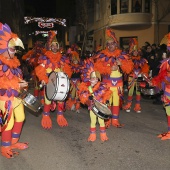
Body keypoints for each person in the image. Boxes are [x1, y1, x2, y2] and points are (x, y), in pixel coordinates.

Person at [93, 28, 133, 128]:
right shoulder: (102, 55)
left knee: (116, 102)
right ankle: (107, 120)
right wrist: (110, 68)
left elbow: (129, 68)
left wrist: (121, 64)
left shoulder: (122, 55)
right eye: (108, 44)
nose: (111, 45)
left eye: (112, 43)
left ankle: (115, 120)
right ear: (106, 46)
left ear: (116, 44)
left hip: (118, 84)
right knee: (107, 102)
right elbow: (98, 68)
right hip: (107, 84)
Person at [0, 22, 28, 158]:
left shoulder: (15, 63)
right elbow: (3, 83)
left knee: (21, 117)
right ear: (3, 49)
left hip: (16, 96)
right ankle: (5, 147)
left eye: (15, 49)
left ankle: (13, 142)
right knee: (8, 123)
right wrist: (17, 85)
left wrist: (23, 83)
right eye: (12, 49)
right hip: (5, 98)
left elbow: (18, 79)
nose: (15, 51)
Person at [35, 31, 71, 129]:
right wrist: (42, 78)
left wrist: (67, 79)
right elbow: (40, 69)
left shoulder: (62, 58)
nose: (55, 47)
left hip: (59, 83)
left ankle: (60, 115)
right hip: (49, 81)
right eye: (53, 45)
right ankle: (46, 115)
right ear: (50, 47)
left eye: (56, 45)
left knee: (61, 99)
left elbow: (67, 70)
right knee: (48, 99)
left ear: (59, 47)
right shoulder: (45, 58)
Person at [78, 58, 112, 142]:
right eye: (93, 78)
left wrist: (106, 100)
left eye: (97, 78)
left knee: (101, 121)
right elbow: (83, 97)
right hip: (92, 108)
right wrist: (87, 98)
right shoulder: (87, 88)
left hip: (101, 107)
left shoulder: (102, 86)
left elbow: (106, 94)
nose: (95, 80)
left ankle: (103, 135)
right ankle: (92, 135)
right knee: (93, 121)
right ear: (89, 79)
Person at [123, 38, 149, 113]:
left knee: (138, 92)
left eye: (136, 51)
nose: (135, 53)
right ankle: (128, 105)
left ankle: (137, 106)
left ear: (139, 52)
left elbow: (145, 69)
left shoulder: (142, 60)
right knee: (130, 92)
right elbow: (126, 69)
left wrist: (143, 74)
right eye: (134, 51)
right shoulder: (129, 59)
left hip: (139, 78)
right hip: (131, 78)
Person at [66, 44, 81, 113]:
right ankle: (72, 106)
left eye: (76, 60)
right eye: (74, 60)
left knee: (78, 96)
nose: (75, 61)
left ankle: (77, 108)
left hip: (78, 83)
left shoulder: (80, 67)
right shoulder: (70, 67)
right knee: (72, 95)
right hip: (71, 82)